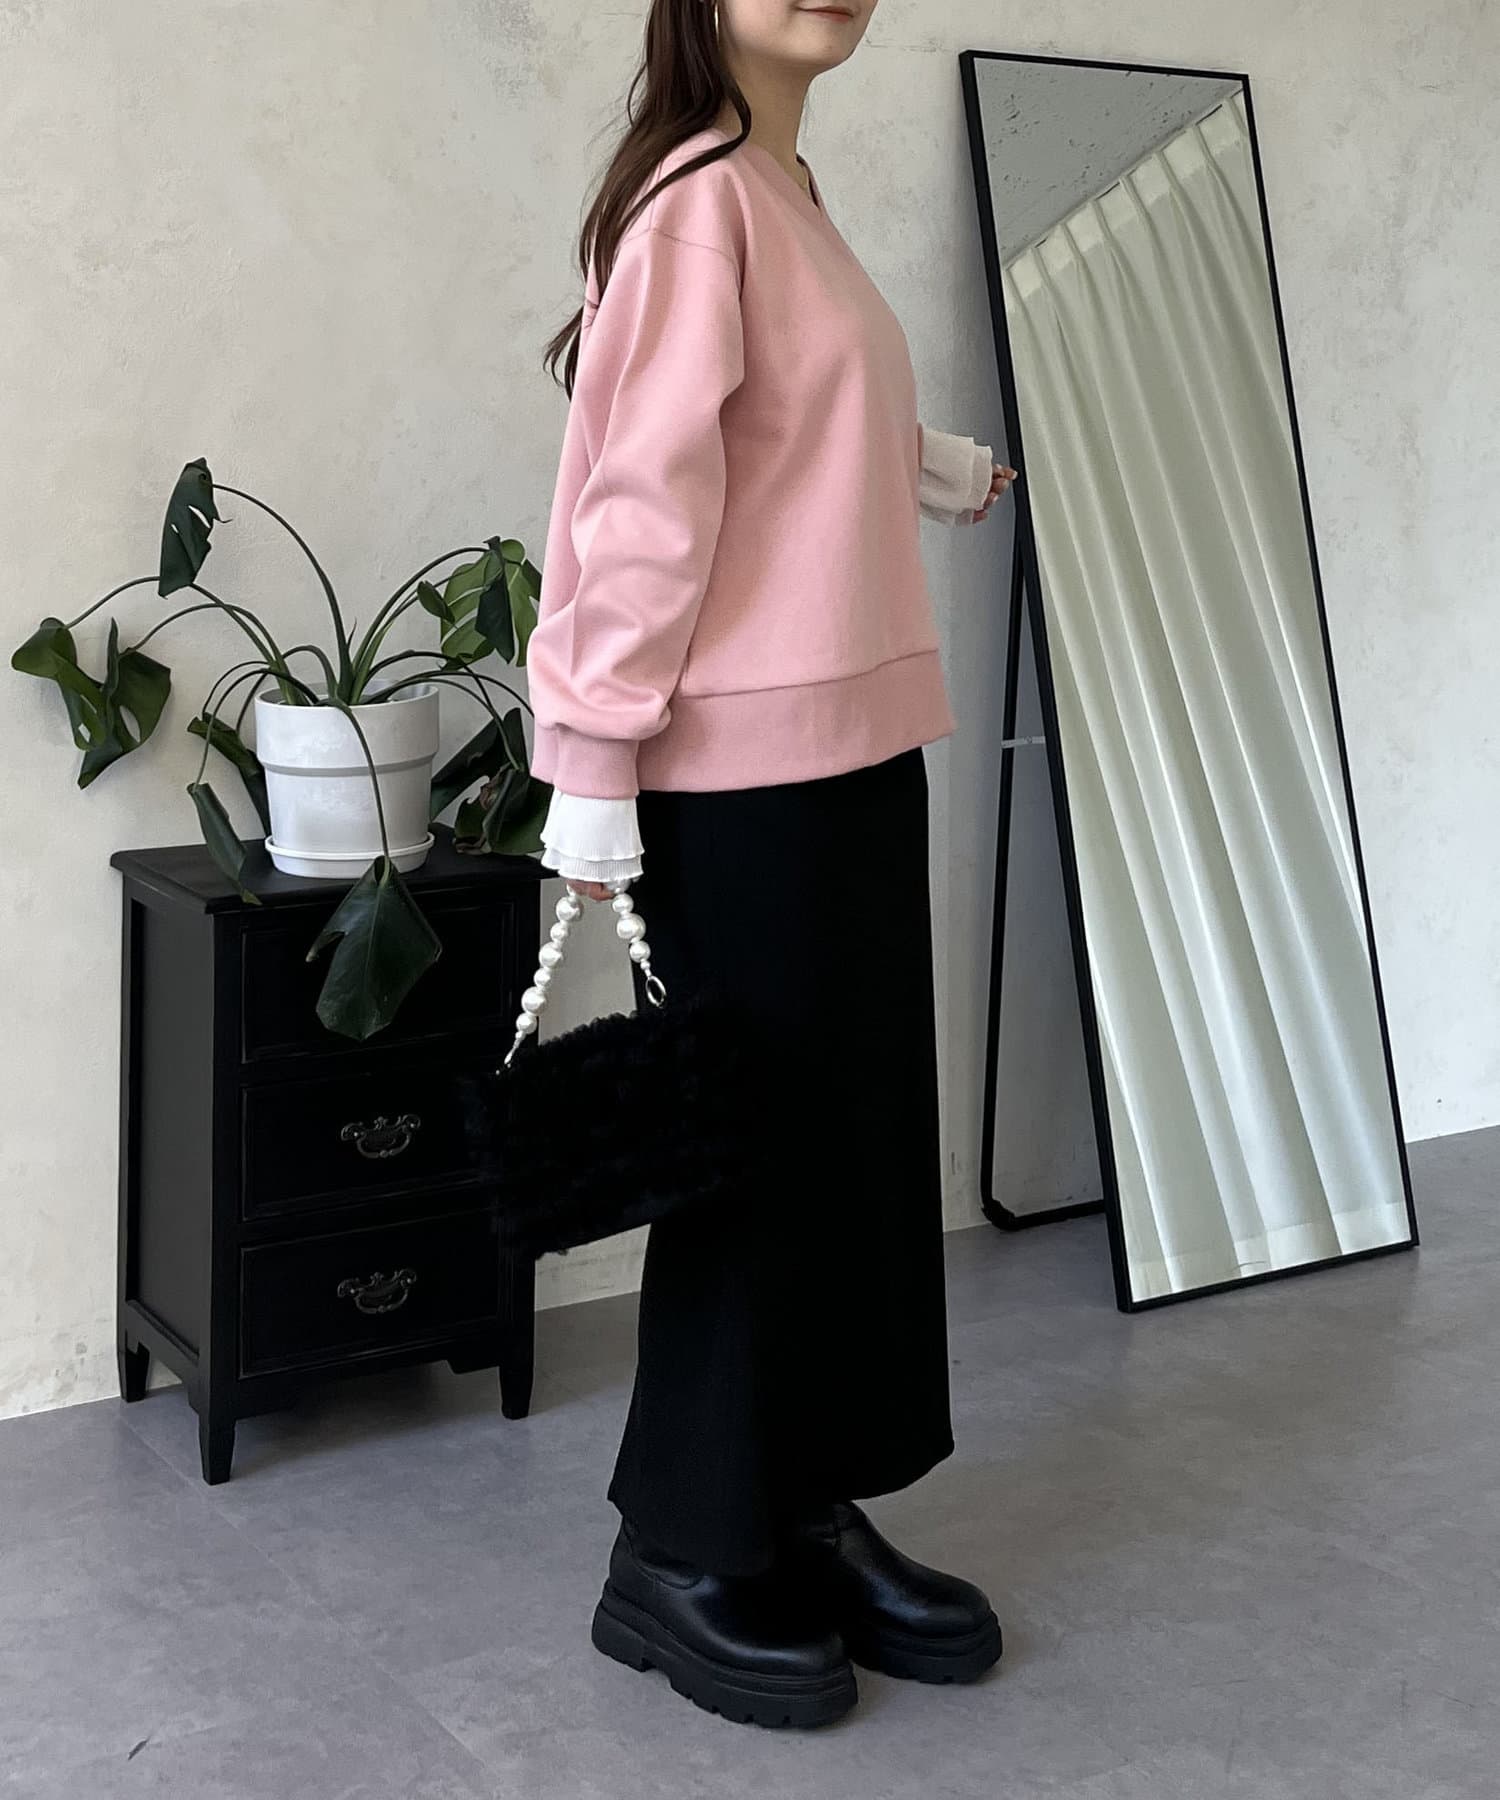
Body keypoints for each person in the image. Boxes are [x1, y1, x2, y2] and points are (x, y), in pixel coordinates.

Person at [529, 0, 1017, 1730]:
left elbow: (773, 427)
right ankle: (675, 1551)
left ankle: (797, 1503)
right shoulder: (698, 201)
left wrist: (923, 463)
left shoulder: (783, 191)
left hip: (853, 747)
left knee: (849, 1159)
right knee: (757, 1168)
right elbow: (639, 506)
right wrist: (591, 768)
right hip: (740, 778)